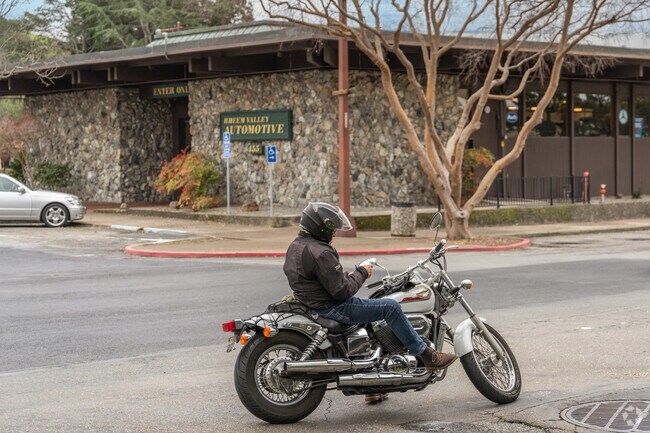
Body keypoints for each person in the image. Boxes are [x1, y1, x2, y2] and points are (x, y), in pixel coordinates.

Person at [283, 202, 458, 390]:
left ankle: (375, 388)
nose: (334, 232)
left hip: (313, 302)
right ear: (320, 227)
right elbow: (342, 292)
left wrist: (348, 276)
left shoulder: (297, 246)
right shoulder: (322, 251)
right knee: (391, 307)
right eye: (331, 228)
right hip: (333, 307)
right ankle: (426, 355)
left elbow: (322, 279)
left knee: (372, 316)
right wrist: (362, 272)